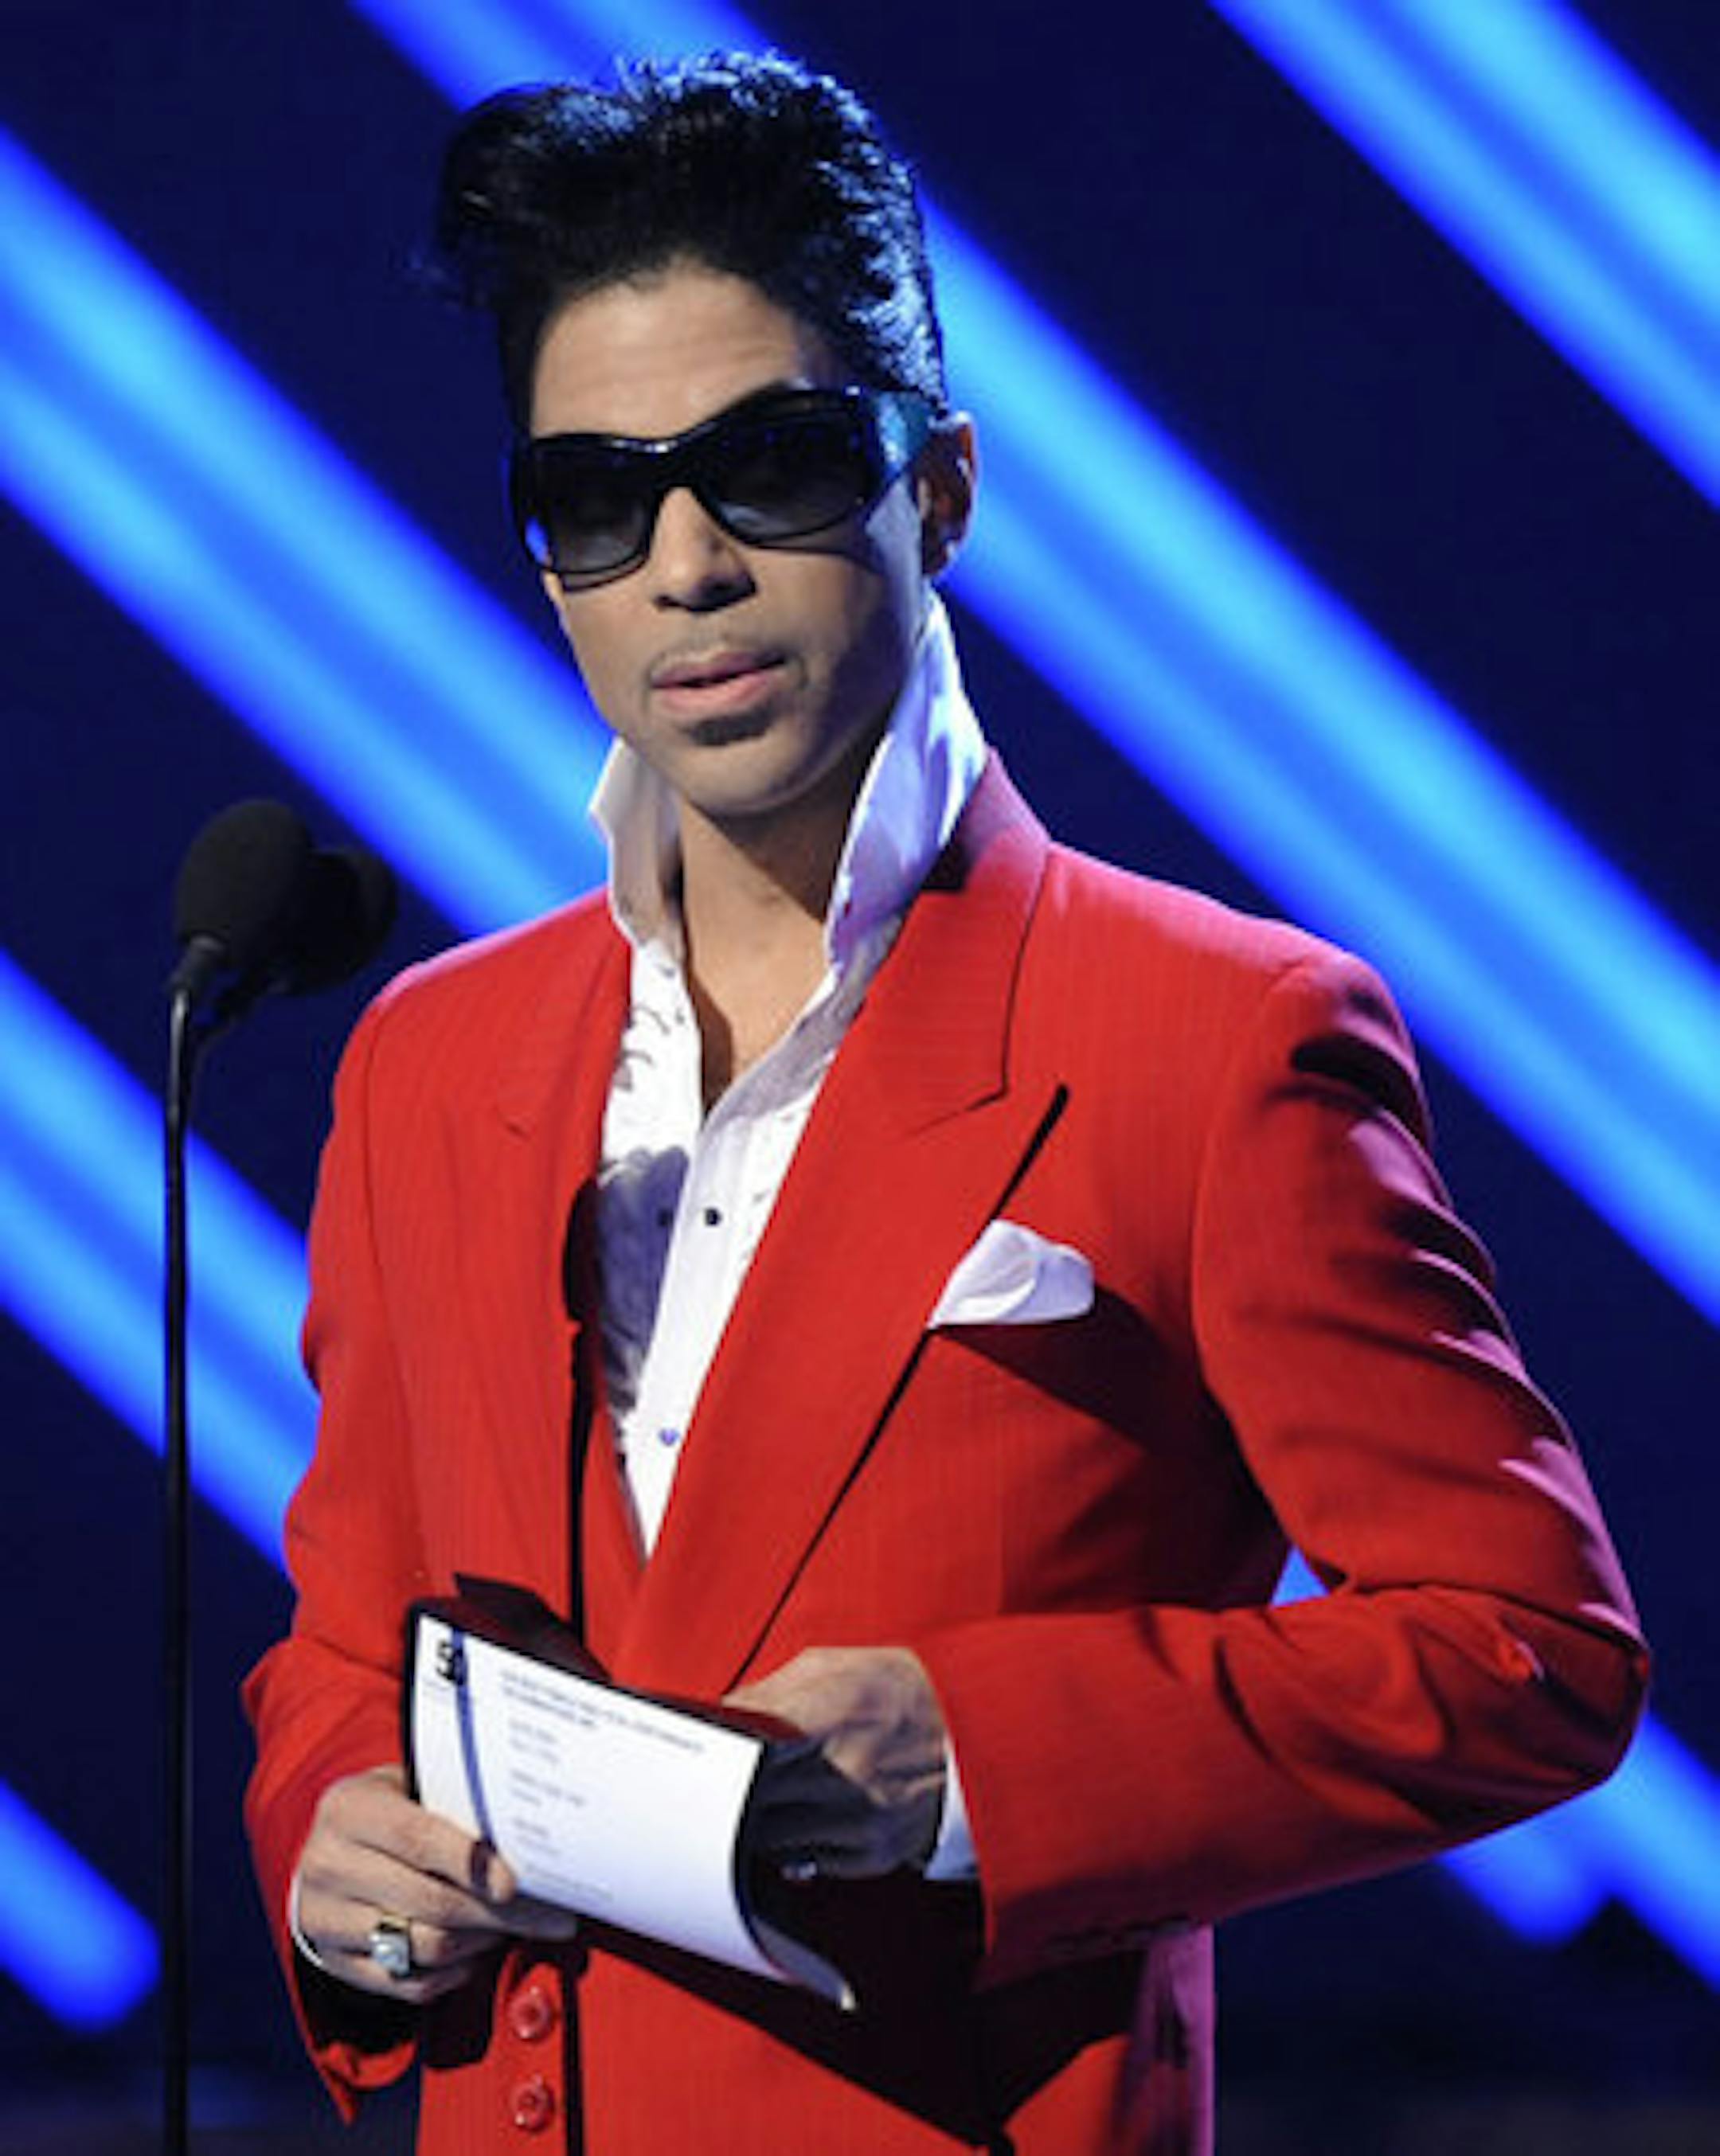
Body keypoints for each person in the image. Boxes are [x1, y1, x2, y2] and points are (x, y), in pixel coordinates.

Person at [244, 51, 1648, 2156]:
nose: (686, 565)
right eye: (599, 499)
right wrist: (330, 1843)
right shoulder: (433, 1058)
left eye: (774, 464)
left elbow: (1530, 1645)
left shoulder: (1216, 1035)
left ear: (945, 488)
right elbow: (352, 1643)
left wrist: (978, 1758)